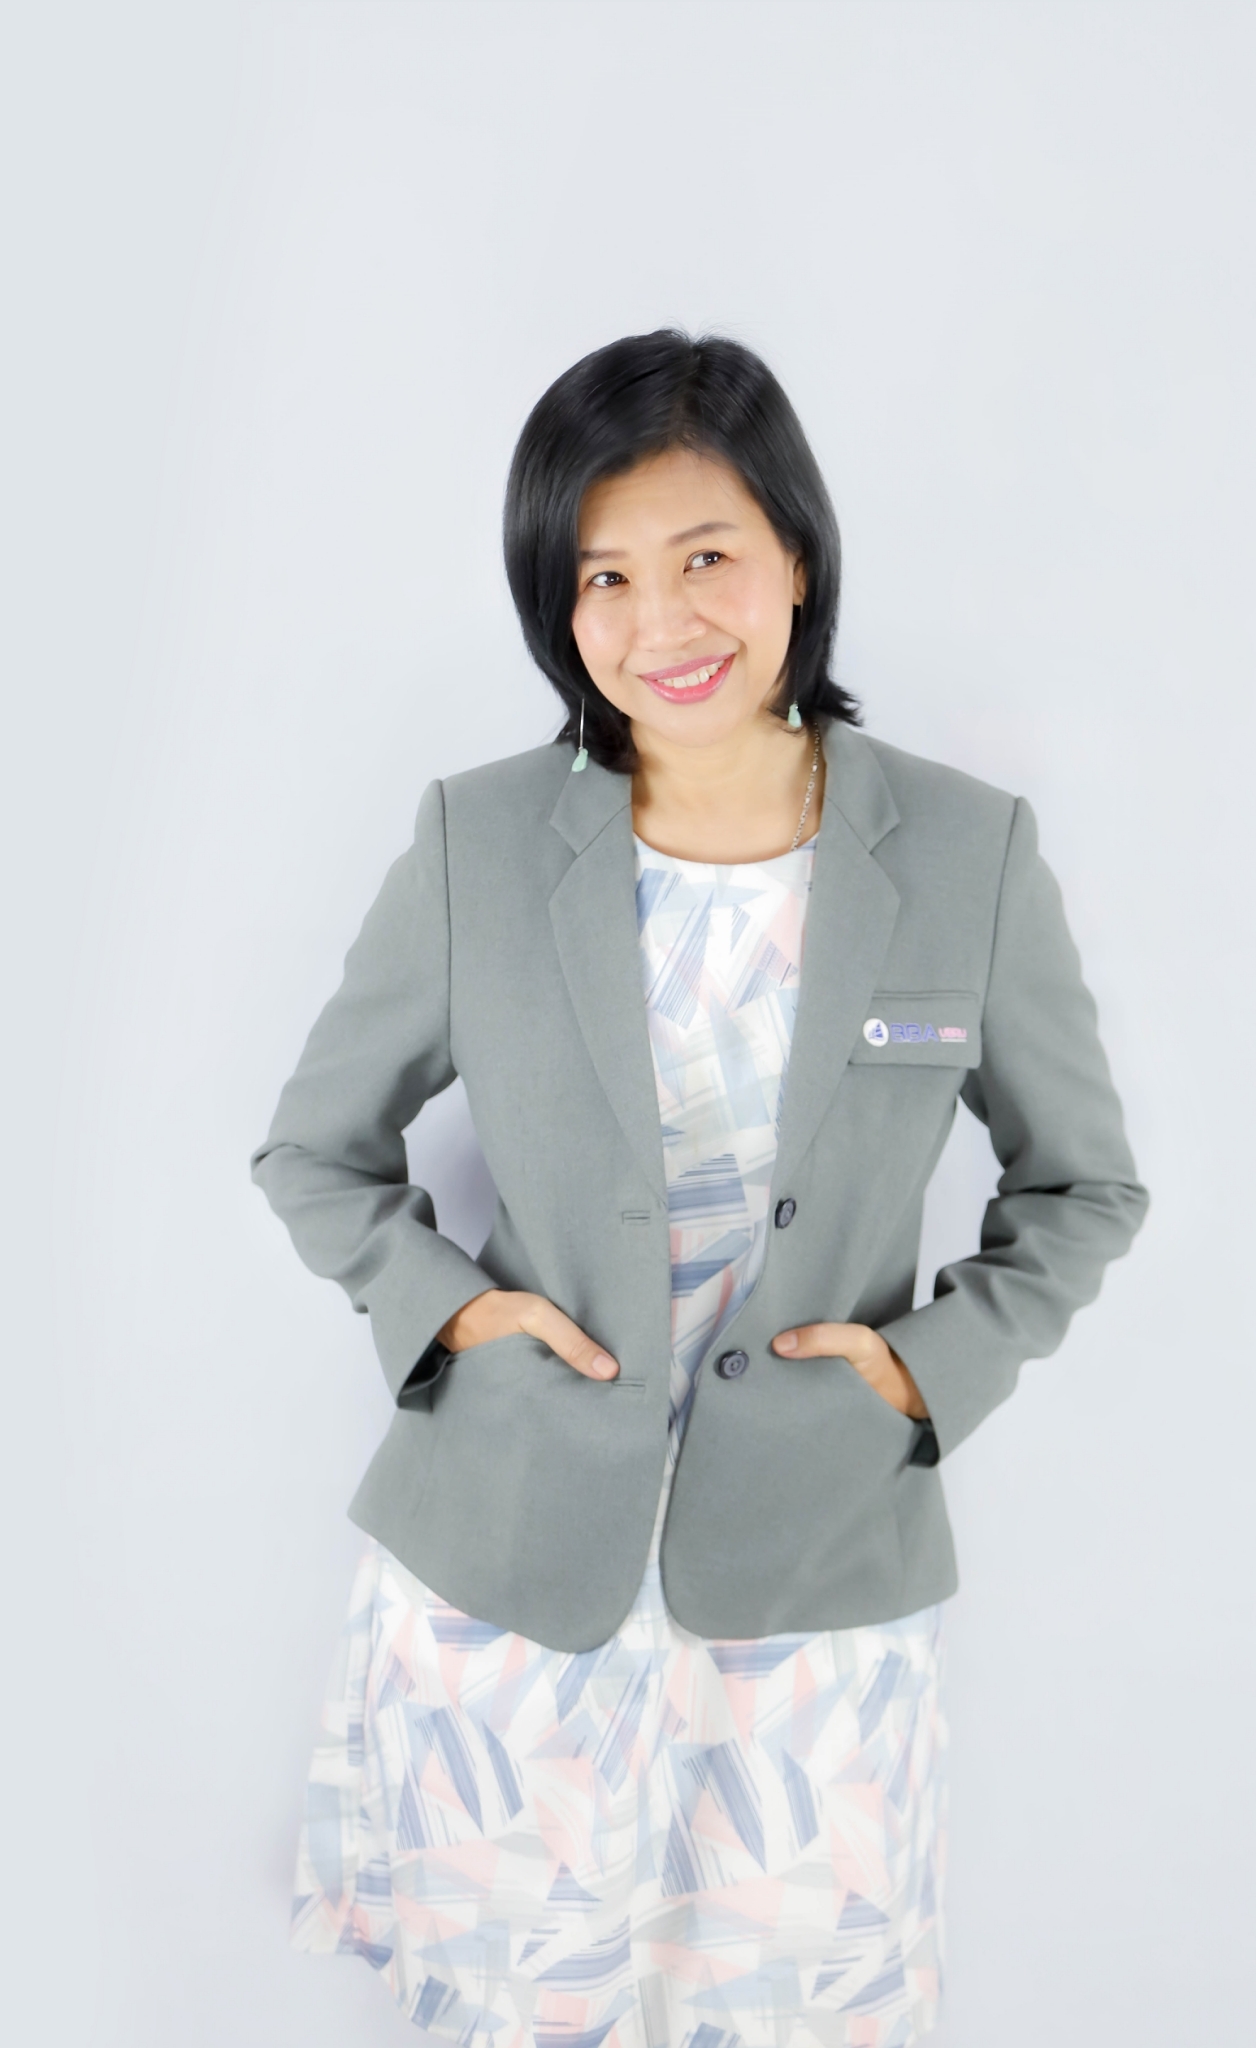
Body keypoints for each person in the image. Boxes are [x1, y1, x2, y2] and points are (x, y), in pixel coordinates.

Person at [251, 329, 1148, 2044]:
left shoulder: (964, 854)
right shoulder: (477, 842)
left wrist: (922, 1375)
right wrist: (456, 1318)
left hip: (813, 1588)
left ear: (796, 556)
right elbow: (314, 1150)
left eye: (705, 556)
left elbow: (1083, 1187)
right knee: (523, 2011)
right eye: (602, 574)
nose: (659, 621)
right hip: (509, 1572)